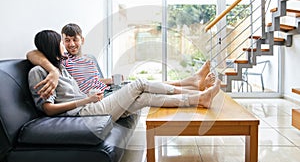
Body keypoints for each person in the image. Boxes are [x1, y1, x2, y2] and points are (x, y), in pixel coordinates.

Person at [28, 30, 221, 121]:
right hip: (84, 112)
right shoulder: (39, 72)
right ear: (53, 45)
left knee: (146, 97)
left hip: (93, 103)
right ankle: (195, 90)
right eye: (63, 42)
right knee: (140, 83)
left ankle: (199, 99)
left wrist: (94, 92)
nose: (67, 45)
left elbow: (76, 89)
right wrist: (84, 101)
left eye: (71, 40)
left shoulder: (60, 68)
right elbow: (49, 109)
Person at [27, 23, 216, 99]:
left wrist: (110, 79)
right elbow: (32, 54)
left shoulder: (88, 59)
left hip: (107, 88)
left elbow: (92, 80)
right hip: (99, 97)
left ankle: (192, 83)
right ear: (62, 42)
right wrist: (52, 70)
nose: (71, 44)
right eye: (66, 40)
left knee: (145, 83)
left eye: (74, 39)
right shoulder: (62, 60)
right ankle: (192, 87)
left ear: (82, 39)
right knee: (146, 87)